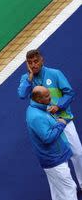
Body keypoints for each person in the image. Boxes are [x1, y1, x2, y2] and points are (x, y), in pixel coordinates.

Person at [18, 49, 82, 188]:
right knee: (59, 159)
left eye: (36, 61)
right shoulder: (26, 79)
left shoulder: (55, 74)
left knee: (78, 153)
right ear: (27, 65)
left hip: (64, 120)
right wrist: (29, 78)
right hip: (48, 125)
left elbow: (69, 93)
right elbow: (22, 94)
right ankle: (67, 187)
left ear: (42, 60)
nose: (33, 65)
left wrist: (58, 106)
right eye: (30, 63)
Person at [26, 86, 77, 200]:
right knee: (69, 190)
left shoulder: (39, 109)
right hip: (55, 160)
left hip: (53, 159)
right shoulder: (36, 116)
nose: (50, 98)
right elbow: (47, 138)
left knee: (58, 194)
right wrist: (61, 124)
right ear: (39, 99)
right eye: (47, 96)